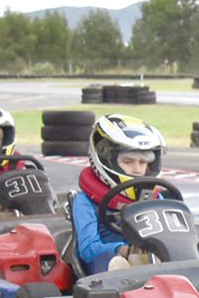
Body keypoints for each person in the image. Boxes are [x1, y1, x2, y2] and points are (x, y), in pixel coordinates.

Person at [71, 113, 166, 271]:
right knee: (116, 264)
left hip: (151, 262)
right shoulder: (85, 201)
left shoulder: (156, 197)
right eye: (128, 162)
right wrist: (121, 250)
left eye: (142, 162)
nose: (136, 169)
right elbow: (87, 250)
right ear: (108, 160)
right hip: (105, 267)